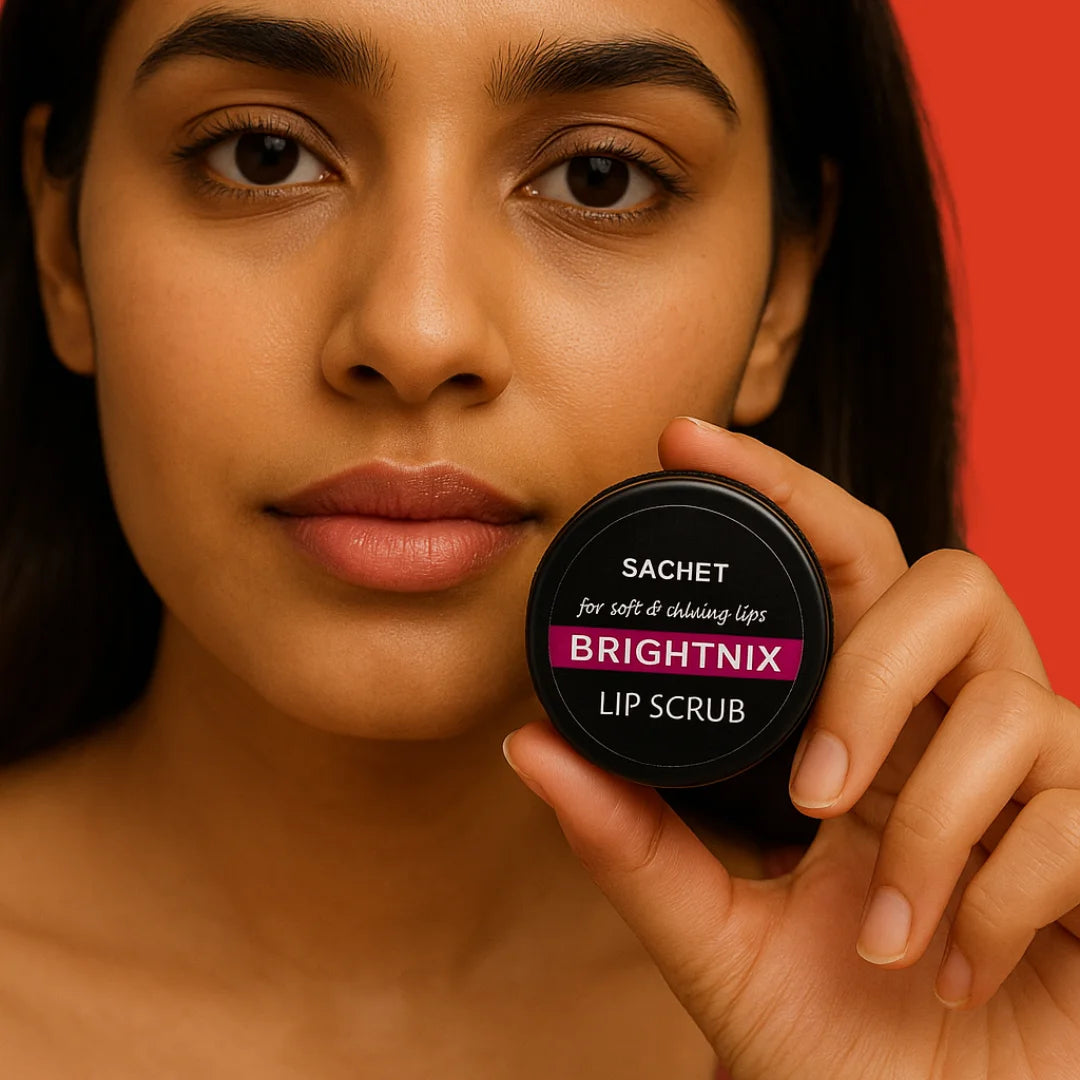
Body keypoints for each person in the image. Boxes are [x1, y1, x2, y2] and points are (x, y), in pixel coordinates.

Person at [0, 0, 1076, 1076]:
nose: (416, 335)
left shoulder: (935, 1003)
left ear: (782, 291)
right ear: (63, 246)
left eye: (600, 176)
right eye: (264, 154)